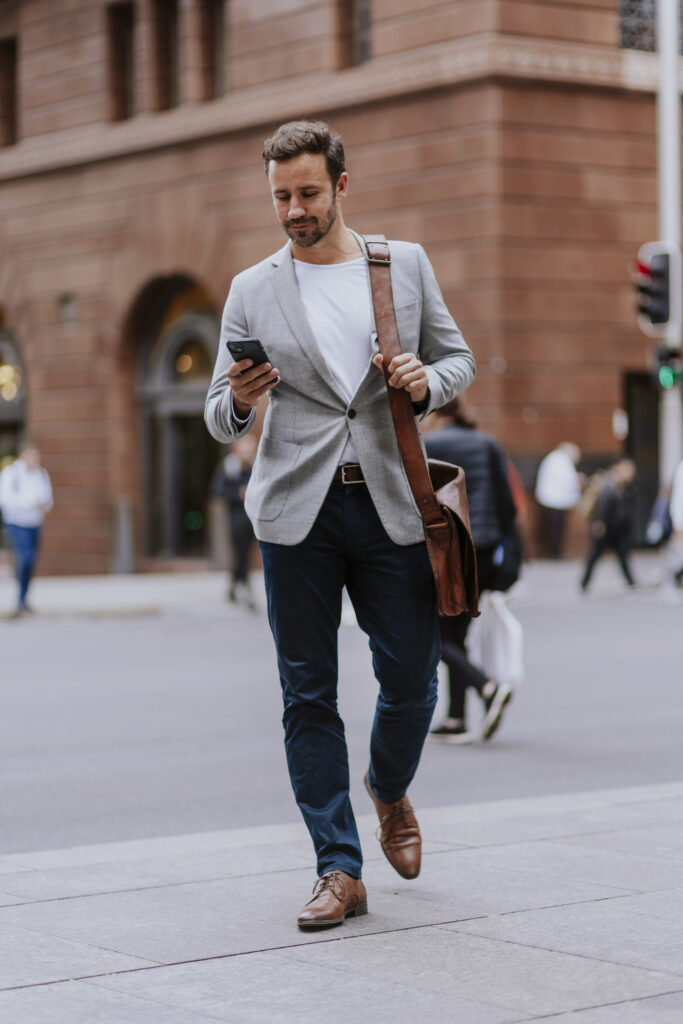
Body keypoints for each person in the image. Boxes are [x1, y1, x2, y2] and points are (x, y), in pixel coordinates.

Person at [204, 120, 475, 930]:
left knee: (414, 682)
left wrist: (425, 381)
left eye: (308, 194)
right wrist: (243, 398)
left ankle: (387, 787)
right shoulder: (252, 288)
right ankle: (337, 866)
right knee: (306, 694)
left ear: (342, 187)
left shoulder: (403, 265)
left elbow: (456, 359)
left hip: (392, 500)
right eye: (281, 196)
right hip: (296, 509)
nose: (294, 209)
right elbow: (218, 415)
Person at [425, 397, 518, 743]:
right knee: (455, 634)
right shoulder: (489, 443)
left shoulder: (430, 444)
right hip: (486, 549)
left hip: (448, 550)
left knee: (436, 636)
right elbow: (508, 505)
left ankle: (488, 687)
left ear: (436, 415)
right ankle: (456, 719)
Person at [0, 444, 53, 617]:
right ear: (22, 456)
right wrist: (29, 502)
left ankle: (24, 599)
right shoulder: (11, 474)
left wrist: (42, 503)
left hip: (34, 523)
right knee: (25, 557)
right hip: (16, 522)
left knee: (30, 561)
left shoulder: (41, 474)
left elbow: (47, 499)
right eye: (31, 456)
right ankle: (20, 598)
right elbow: (5, 500)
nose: (34, 460)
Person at [213, 435, 257, 608]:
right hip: (236, 518)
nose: (247, 451)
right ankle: (245, 587)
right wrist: (239, 493)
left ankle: (233, 587)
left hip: (252, 518)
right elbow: (219, 491)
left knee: (243, 554)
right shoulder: (229, 467)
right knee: (241, 554)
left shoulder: (256, 466)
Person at [580, 457, 637, 592]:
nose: (631, 473)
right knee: (596, 554)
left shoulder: (625, 485)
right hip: (607, 527)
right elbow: (603, 506)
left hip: (618, 528)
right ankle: (584, 582)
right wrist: (600, 522)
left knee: (622, 555)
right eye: (627, 469)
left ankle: (630, 581)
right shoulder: (610, 484)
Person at [534, 442, 582, 558]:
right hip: (554, 500)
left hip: (552, 499)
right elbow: (567, 481)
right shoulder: (560, 461)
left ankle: (554, 551)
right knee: (555, 528)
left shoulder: (555, 459)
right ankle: (554, 552)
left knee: (555, 527)